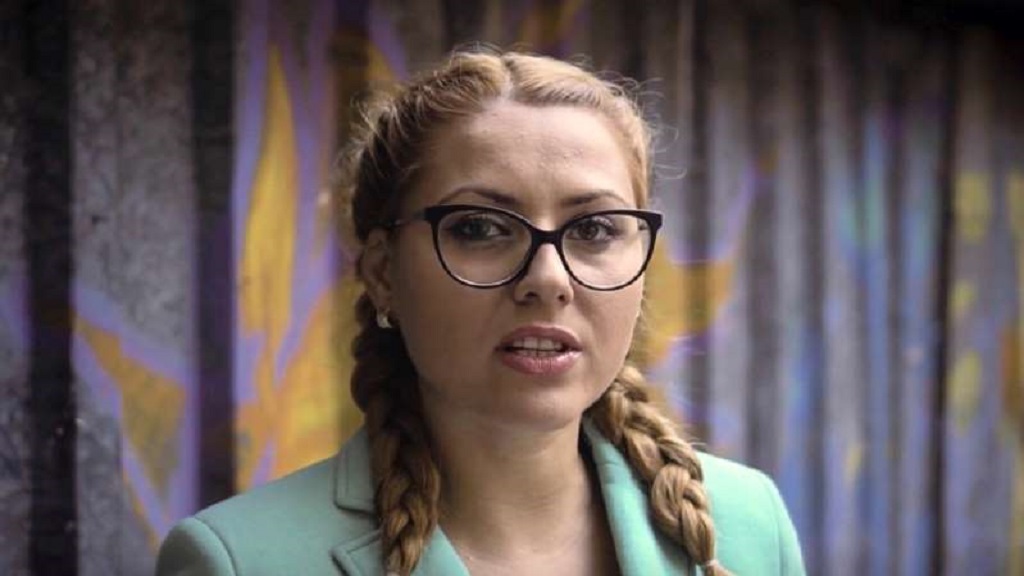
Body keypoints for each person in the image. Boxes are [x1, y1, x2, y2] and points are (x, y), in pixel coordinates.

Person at [157, 49, 804, 576]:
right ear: (382, 273)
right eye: (479, 227)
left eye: (596, 229)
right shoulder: (241, 561)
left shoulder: (748, 525)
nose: (548, 280)